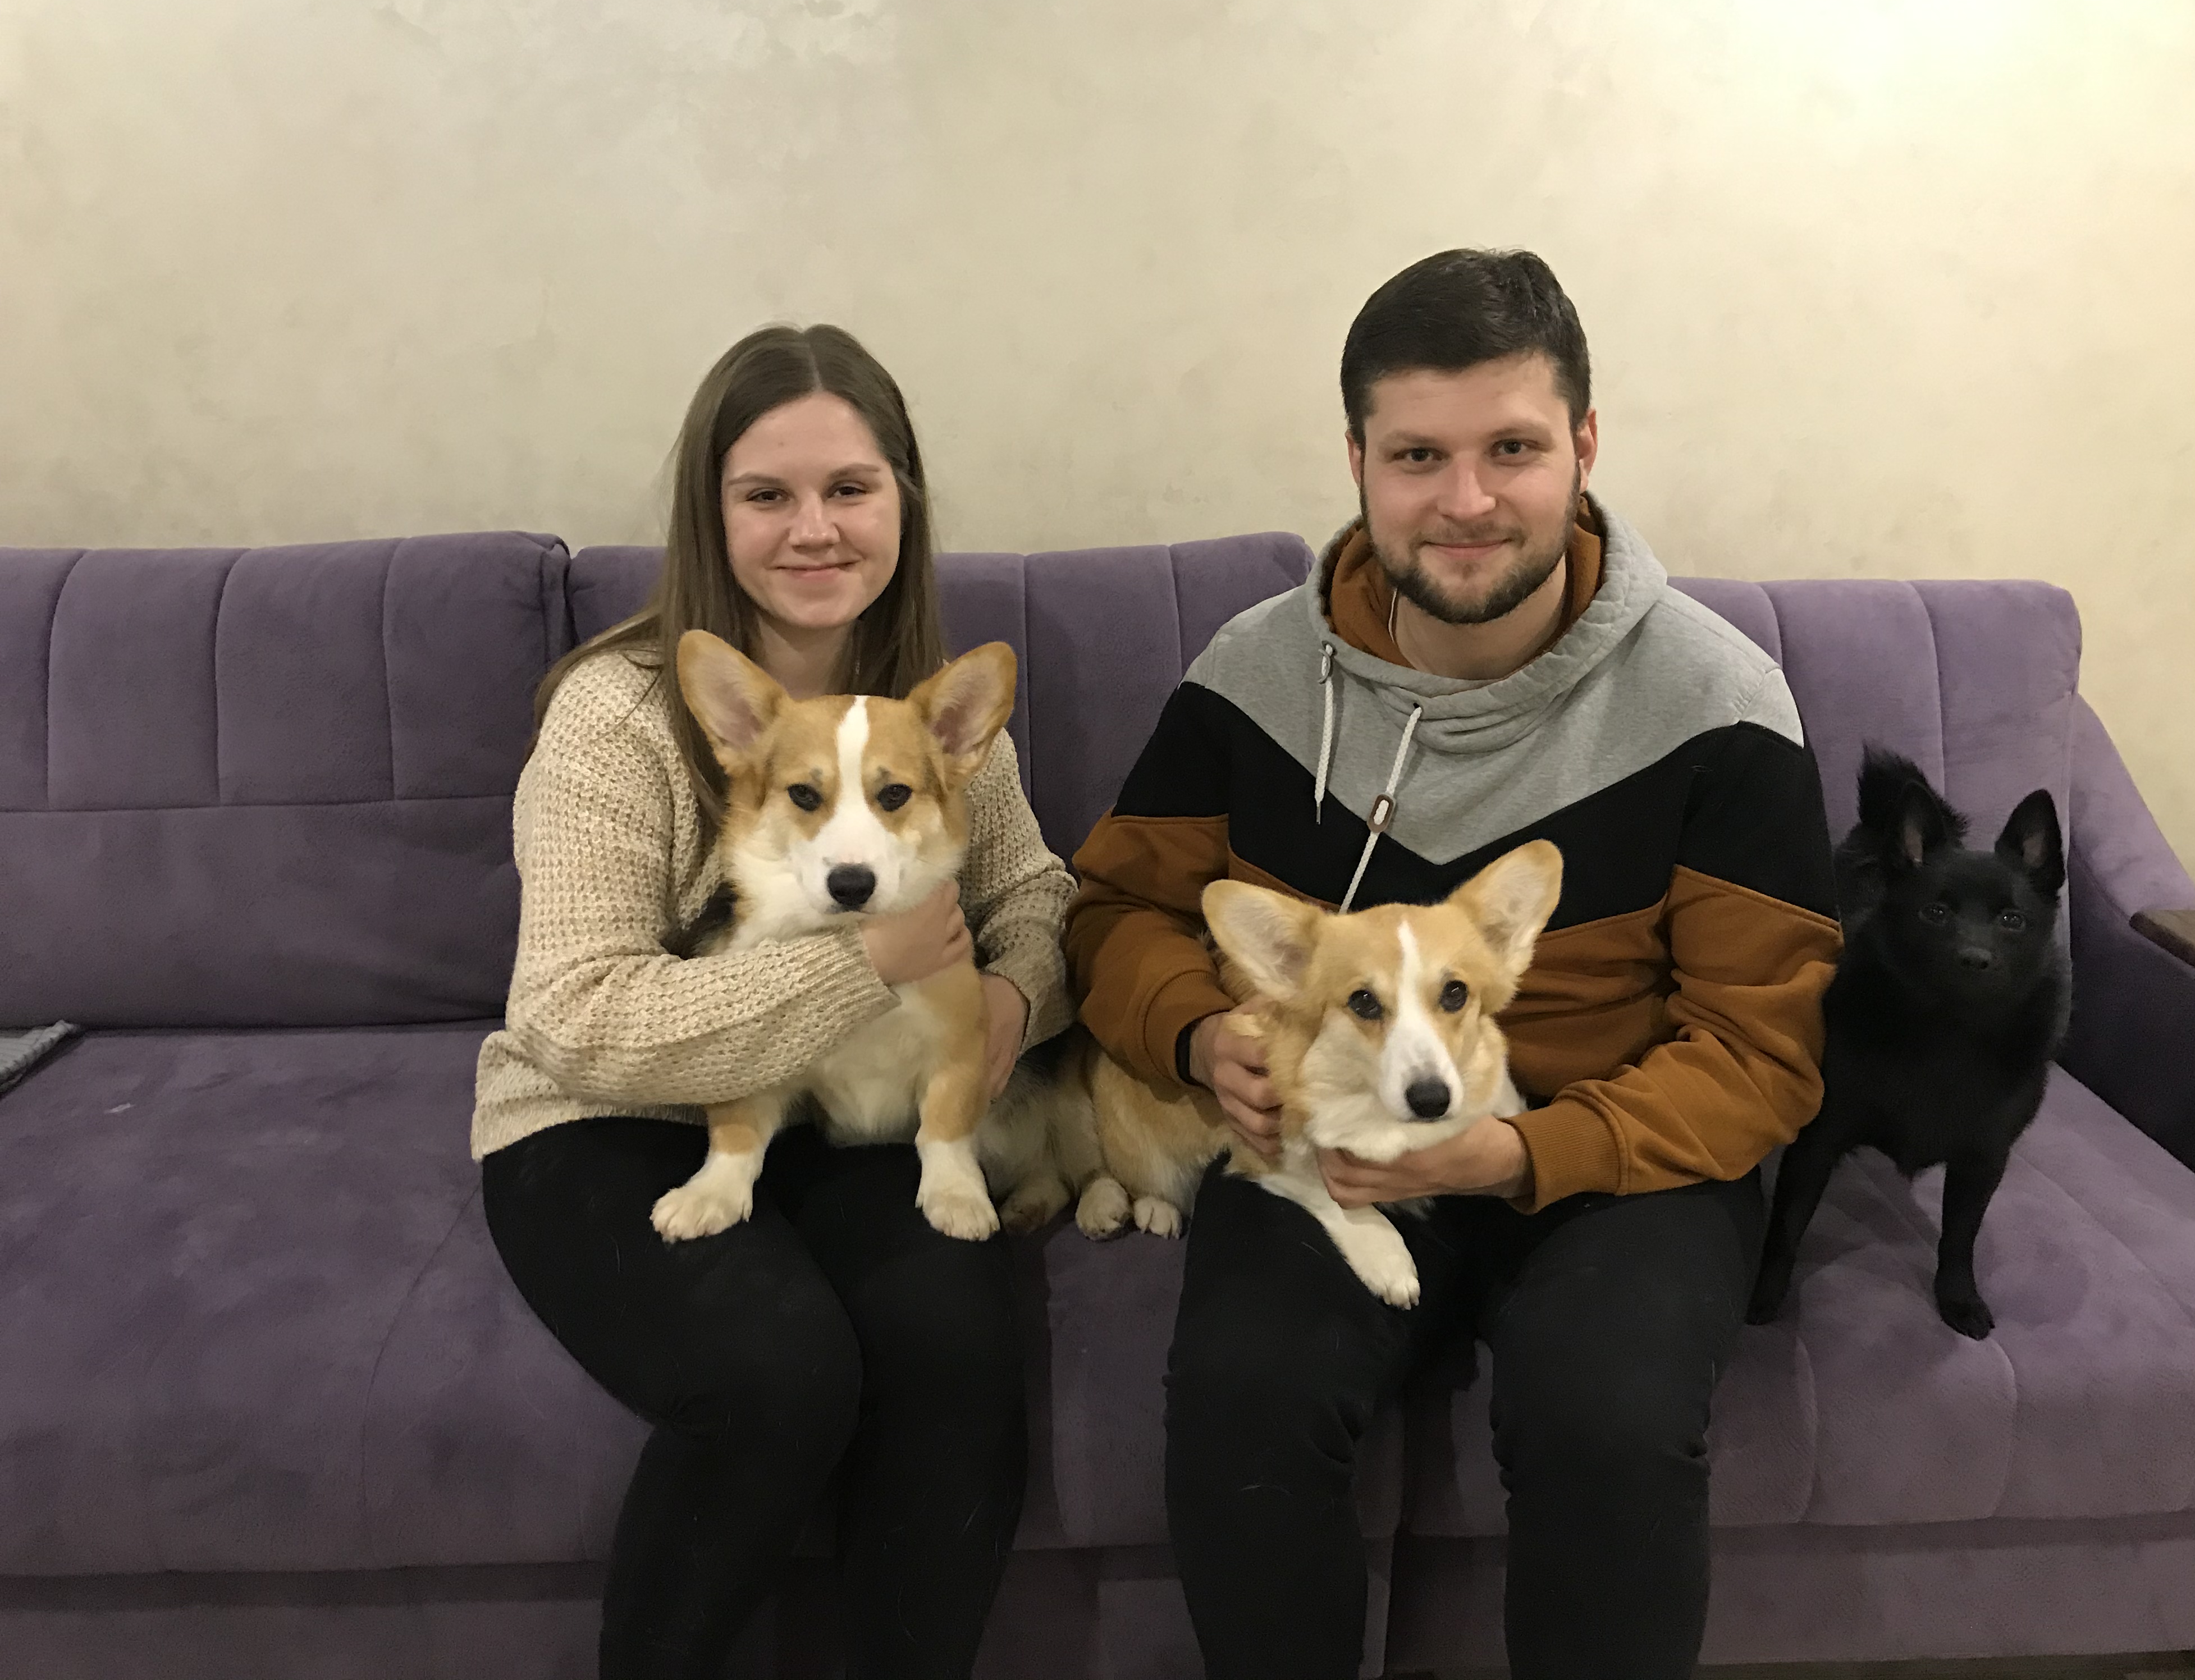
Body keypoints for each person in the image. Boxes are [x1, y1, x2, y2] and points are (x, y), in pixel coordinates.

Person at [1066, 250, 1839, 1679]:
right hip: (1332, 1138)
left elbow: (1762, 1052)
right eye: (1419, 454)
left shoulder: (1722, 704)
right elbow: (1113, 915)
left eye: (1513, 450)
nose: (1467, 500)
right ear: (1357, 461)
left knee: (1608, 1417)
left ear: (1585, 448)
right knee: (1245, 1392)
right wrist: (1196, 1039)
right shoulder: (1250, 679)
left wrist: (1523, 1155)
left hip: (1615, 1151)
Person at [473, 324, 1075, 1680]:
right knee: (774, 1377)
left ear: (903, 502)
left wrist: (1009, 1002)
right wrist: (863, 964)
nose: (815, 529)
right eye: (768, 495)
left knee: (954, 1359)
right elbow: (574, 1015)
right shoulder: (618, 718)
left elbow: (1037, 894)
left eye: (850, 488)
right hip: (606, 1117)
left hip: (851, 1108)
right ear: (713, 512)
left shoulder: (928, 725)